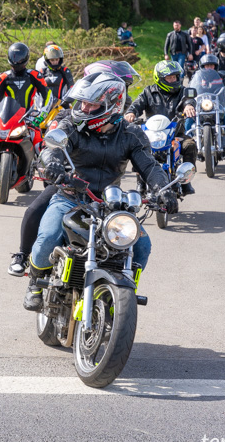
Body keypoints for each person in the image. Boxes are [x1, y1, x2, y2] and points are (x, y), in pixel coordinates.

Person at [22, 72, 174, 311]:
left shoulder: (131, 134)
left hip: (108, 204)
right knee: (48, 236)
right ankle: (35, 284)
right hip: (71, 196)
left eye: (91, 104)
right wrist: (51, 164)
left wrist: (162, 189)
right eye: (82, 102)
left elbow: (149, 166)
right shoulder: (72, 125)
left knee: (141, 246)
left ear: (111, 106)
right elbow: (52, 148)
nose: (83, 108)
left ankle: (123, 293)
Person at [7, 60, 137, 277]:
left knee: (137, 243)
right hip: (67, 180)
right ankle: (23, 255)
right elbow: (51, 146)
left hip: (104, 193)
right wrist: (55, 165)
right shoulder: (68, 117)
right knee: (36, 212)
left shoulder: (120, 121)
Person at [123, 60, 197, 195]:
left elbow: (189, 99)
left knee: (190, 145)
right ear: (160, 78)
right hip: (152, 136)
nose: (173, 80)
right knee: (138, 149)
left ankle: (186, 180)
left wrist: (188, 106)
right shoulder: (148, 92)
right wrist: (130, 113)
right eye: (169, 77)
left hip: (175, 134)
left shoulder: (182, 91)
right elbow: (137, 105)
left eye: (174, 77)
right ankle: (140, 181)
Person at [185, 55, 225, 148]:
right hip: (201, 104)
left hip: (217, 104)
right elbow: (191, 86)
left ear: (215, 66)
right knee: (189, 116)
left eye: (212, 65)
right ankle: (185, 140)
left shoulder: (222, 76)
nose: (209, 67)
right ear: (203, 66)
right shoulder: (197, 77)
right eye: (207, 65)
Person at [37, 44, 74, 109]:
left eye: (57, 59)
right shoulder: (42, 72)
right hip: (45, 107)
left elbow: (72, 88)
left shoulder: (65, 71)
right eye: (52, 60)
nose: (55, 62)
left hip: (62, 106)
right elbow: (37, 90)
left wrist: (65, 101)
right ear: (47, 60)